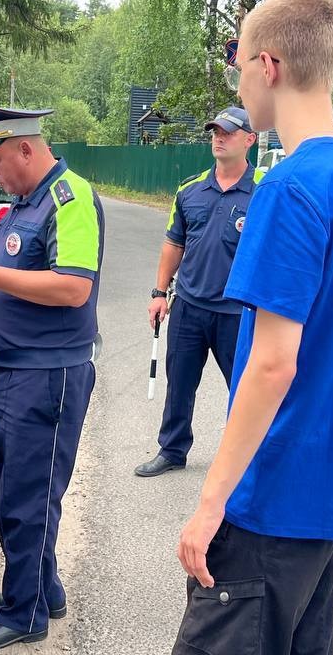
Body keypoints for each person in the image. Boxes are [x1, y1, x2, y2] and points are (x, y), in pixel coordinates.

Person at [173, 0, 333, 654]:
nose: (239, 80)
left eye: (238, 63)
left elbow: (274, 363)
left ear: (268, 65)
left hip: (275, 497)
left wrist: (212, 501)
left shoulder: (290, 186)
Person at [0, 103, 104, 651]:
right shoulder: (22, 205)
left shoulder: (69, 197)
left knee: (29, 496)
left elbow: (74, 287)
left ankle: (24, 612)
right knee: (8, 486)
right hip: (11, 370)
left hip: (47, 374)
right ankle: (42, 585)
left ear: (26, 149)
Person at [135, 107, 260, 477]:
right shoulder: (190, 190)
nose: (218, 138)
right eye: (214, 132)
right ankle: (172, 449)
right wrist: (160, 292)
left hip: (238, 312)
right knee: (180, 384)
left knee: (245, 390)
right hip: (189, 306)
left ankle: (248, 459)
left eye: (228, 132)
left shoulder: (265, 191)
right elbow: (174, 243)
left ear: (249, 140)